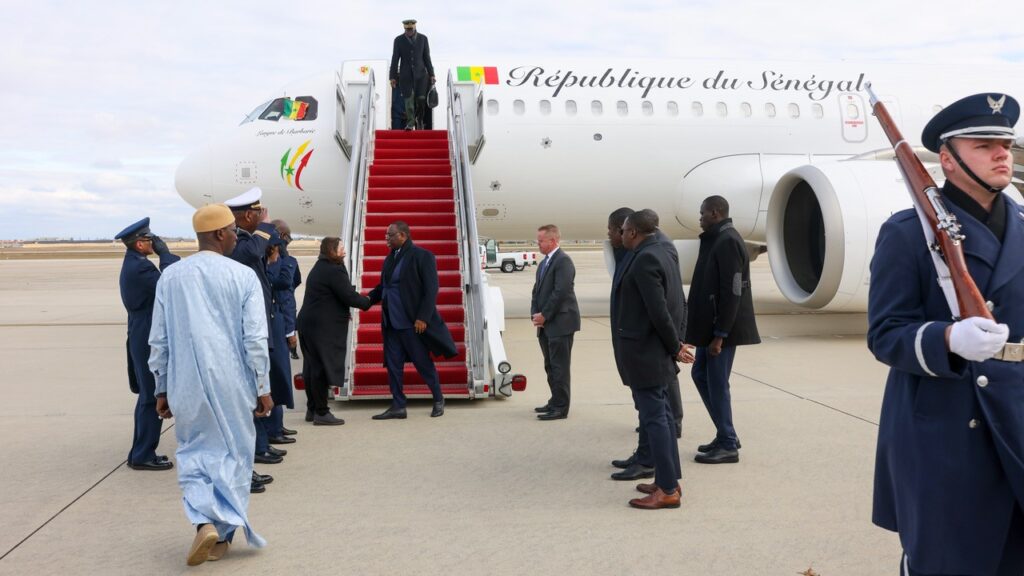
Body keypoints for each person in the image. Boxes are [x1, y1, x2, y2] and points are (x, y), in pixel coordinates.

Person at [868, 93, 1024, 575]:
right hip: (946, 431)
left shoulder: (1022, 227)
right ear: (948, 160)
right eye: (984, 145)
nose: (1004, 154)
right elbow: (886, 333)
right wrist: (946, 341)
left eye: (1006, 144)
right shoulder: (906, 233)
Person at [148, 204, 272, 566]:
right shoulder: (242, 276)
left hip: (185, 382)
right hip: (232, 381)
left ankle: (205, 524)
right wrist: (262, 386)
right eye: (234, 230)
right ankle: (223, 529)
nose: (237, 236)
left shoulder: (170, 276)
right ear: (219, 234)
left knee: (193, 453)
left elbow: (159, 339)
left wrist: (161, 386)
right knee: (234, 455)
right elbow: (254, 339)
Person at [607, 208, 688, 481]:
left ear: (631, 231)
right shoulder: (656, 251)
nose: (615, 235)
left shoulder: (647, 258)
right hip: (651, 352)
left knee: (657, 420)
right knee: (659, 419)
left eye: (618, 230)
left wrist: (675, 345)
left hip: (647, 354)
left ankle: (666, 487)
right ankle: (666, 478)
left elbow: (662, 309)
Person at [685, 195, 759, 464]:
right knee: (700, 374)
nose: (700, 217)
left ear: (715, 213)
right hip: (711, 327)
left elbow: (733, 291)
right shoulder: (717, 238)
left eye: (703, 213)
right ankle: (725, 433)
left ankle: (728, 443)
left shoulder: (727, 241)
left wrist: (721, 335)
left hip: (721, 330)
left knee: (717, 383)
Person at [366, 221, 456, 419]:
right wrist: (366, 300)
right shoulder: (390, 259)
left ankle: (438, 398)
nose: (386, 239)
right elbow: (383, 288)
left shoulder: (422, 256)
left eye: (390, 235)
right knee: (393, 366)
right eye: (386, 235)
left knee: (423, 363)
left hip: (411, 323)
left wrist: (423, 317)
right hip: (391, 323)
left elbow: (431, 290)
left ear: (403, 236)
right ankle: (398, 405)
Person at [224, 187, 284, 466]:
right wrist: (265, 226)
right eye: (258, 213)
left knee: (261, 386)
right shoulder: (237, 241)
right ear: (248, 215)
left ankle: (262, 444)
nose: (263, 217)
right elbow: (251, 253)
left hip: (261, 318)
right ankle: (256, 448)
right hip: (248, 323)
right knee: (253, 389)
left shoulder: (248, 237)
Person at [115, 217, 179, 471]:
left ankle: (140, 452)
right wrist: (166, 255)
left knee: (148, 395)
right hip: (146, 333)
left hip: (141, 329)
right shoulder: (141, 268)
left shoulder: (135, 263)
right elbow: (174, 281)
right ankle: (142, 454)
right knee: (152, 395)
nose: (154, 243)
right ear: (140, 244)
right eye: (150, 240)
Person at [296, 237, 370, 425]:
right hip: (321, 327)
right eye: (341, 247)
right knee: (320, 369)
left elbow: (331, 297)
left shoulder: (320, 266)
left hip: (308, 324)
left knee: (312, 368)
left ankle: (312, 409)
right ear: (332, 250)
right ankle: (322, 412)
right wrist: (369, 301)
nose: (344, 249)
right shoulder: (333, 270)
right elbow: (349, 296)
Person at [531, 224, 581, 420]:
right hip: (546, 324)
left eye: (541, 241)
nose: (538, 244)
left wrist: (545, 315)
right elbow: (536, 291)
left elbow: (561, 292)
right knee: (550, 366)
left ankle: (561, 407)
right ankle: (555, 400)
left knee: (560, 367)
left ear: (552, 241)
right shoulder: (544, 264)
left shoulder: (563, 262)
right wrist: (535, 314)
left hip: (561, 323)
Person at [265, 234, 297, 443]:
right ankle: (274, 430)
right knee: (276, 376)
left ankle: (278, 425)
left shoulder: (278, 265)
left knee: (280, 376)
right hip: (276, 325)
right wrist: (289, 329)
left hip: (280, 321)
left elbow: (293, 283)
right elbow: (286, 285)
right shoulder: (271, 269)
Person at [389, 19, 435, 131]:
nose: (409, 31)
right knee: (408, 101)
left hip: (421, 76)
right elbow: (395, 59)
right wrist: (393, 77)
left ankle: (419, 119)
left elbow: (427, 57)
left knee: (421, 100)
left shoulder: (423, 39)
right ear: (404, 28)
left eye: (410, 29)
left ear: (415, 27)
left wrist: (431, 74)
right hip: (406, 76)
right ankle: (410, 123)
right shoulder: (398, 40)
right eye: (407, 29)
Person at [271, 220, 302, 363]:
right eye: (288, 238)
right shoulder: (287, 263)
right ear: (282, 236)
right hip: (280, 324)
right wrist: (290, 330)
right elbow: (286, 296)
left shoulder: (258, 260)